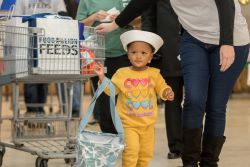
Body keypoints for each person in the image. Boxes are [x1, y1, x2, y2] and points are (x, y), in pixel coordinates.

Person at [95, 0, 250, 166]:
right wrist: (114, 25)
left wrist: (227, 42)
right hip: (194, 40)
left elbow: (225, 3)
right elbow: (141, 2)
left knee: (216, 106)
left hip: (232, 41)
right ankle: (189, 162)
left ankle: (209, 162)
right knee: (194, 99)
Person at [94, 30, 174, 167]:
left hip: (148, 124)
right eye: (134, 52)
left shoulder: (154, 74)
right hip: (128, 124)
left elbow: (162, 86)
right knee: (131, 152)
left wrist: (166, 91)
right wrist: (102, 77)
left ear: (150, 57)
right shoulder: (122, 73)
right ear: (128, 54)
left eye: (143, 53)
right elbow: (110, 90)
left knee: (145, 154)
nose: (138, 56)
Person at [76, 0, 133, 130]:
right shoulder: (86, 1)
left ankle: (127, 137)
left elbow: (139, 18)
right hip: (97, 56)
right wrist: (93, 17)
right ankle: (109, 138)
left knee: (125, 100)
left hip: (124, 54)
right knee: (104, 101)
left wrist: (122, 19)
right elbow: (78, 25)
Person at [141, 0, 183, 159]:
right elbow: (148, 18)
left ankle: (193, 144)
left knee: (196, 100)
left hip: (198, 47)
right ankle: (176, 146)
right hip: (167, 50)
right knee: (171, 99)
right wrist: (150, 47)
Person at [14, 0, 67, 115]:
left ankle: (40, 109)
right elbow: (17, 17)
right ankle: (33, 110)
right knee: (29, 78)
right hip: (27, 41)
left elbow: (63, 15)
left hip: (47, 42)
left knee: (44, 78)